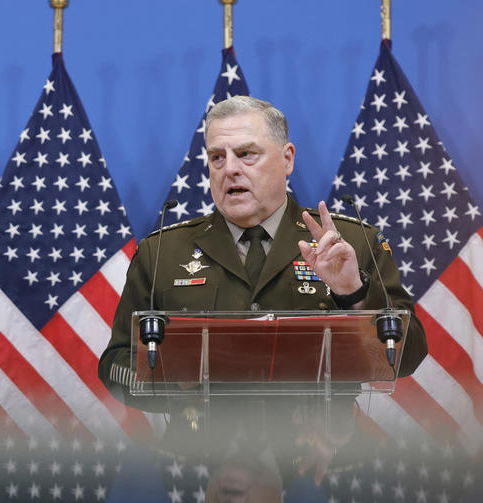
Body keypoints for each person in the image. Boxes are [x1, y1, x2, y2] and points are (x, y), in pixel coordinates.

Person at [98, 96, 428, 408]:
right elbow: (116, 364)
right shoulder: (162, 253)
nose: (229, 169)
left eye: (246, 154)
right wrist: (182, 386)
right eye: (217, 157)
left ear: (287, 159)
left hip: (318, 456)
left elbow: (409, 353)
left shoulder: (348, 242)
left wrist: (353, 294)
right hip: (204, 456)